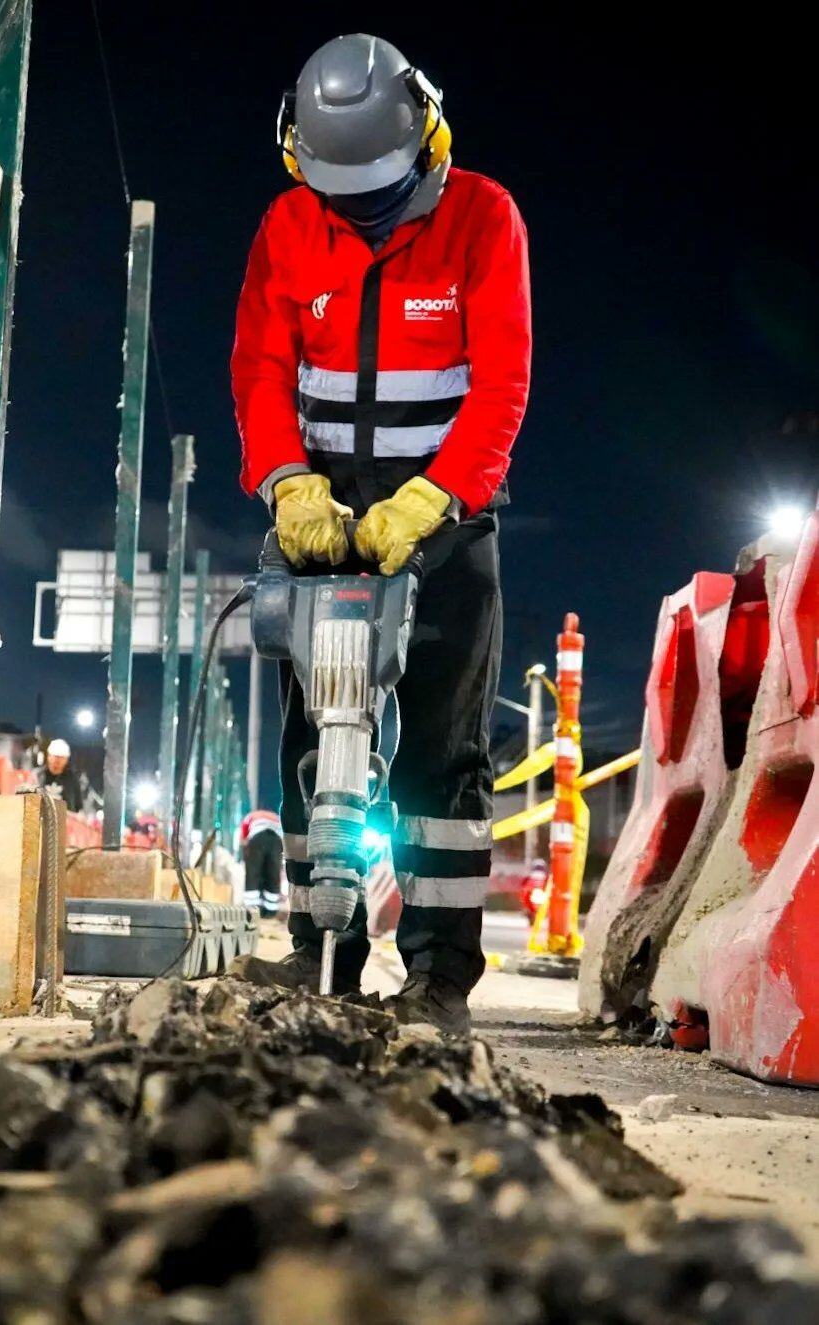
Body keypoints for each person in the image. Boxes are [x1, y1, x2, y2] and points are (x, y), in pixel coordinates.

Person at [230, 34, 531, 1033]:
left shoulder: (483, 217)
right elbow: (262, 369)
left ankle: (437, 980)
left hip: (442, 521)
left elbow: (499, 384)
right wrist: (286, 483)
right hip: (319, 518)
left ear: (427, 136)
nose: (359, 209)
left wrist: (435, 496)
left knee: (440, 763)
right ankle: (321, 954)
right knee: (316, 744)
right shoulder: (287, 224)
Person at [240, 808, 285, 917]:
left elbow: (244, 836)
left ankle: (251, 911)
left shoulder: (251, 815)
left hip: (257, 839)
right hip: (276, 841)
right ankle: (271, 912)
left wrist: (246, 853)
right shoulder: (276, 817)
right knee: (273, 875)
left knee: (253, 874)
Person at [38, 737, 82, 812]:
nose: (57, 760)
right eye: (55, 756)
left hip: (66, 821)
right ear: (48, 756)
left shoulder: (72, 780)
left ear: (66, 760)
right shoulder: (37, 776)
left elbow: (78, 806)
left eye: (61, 758)